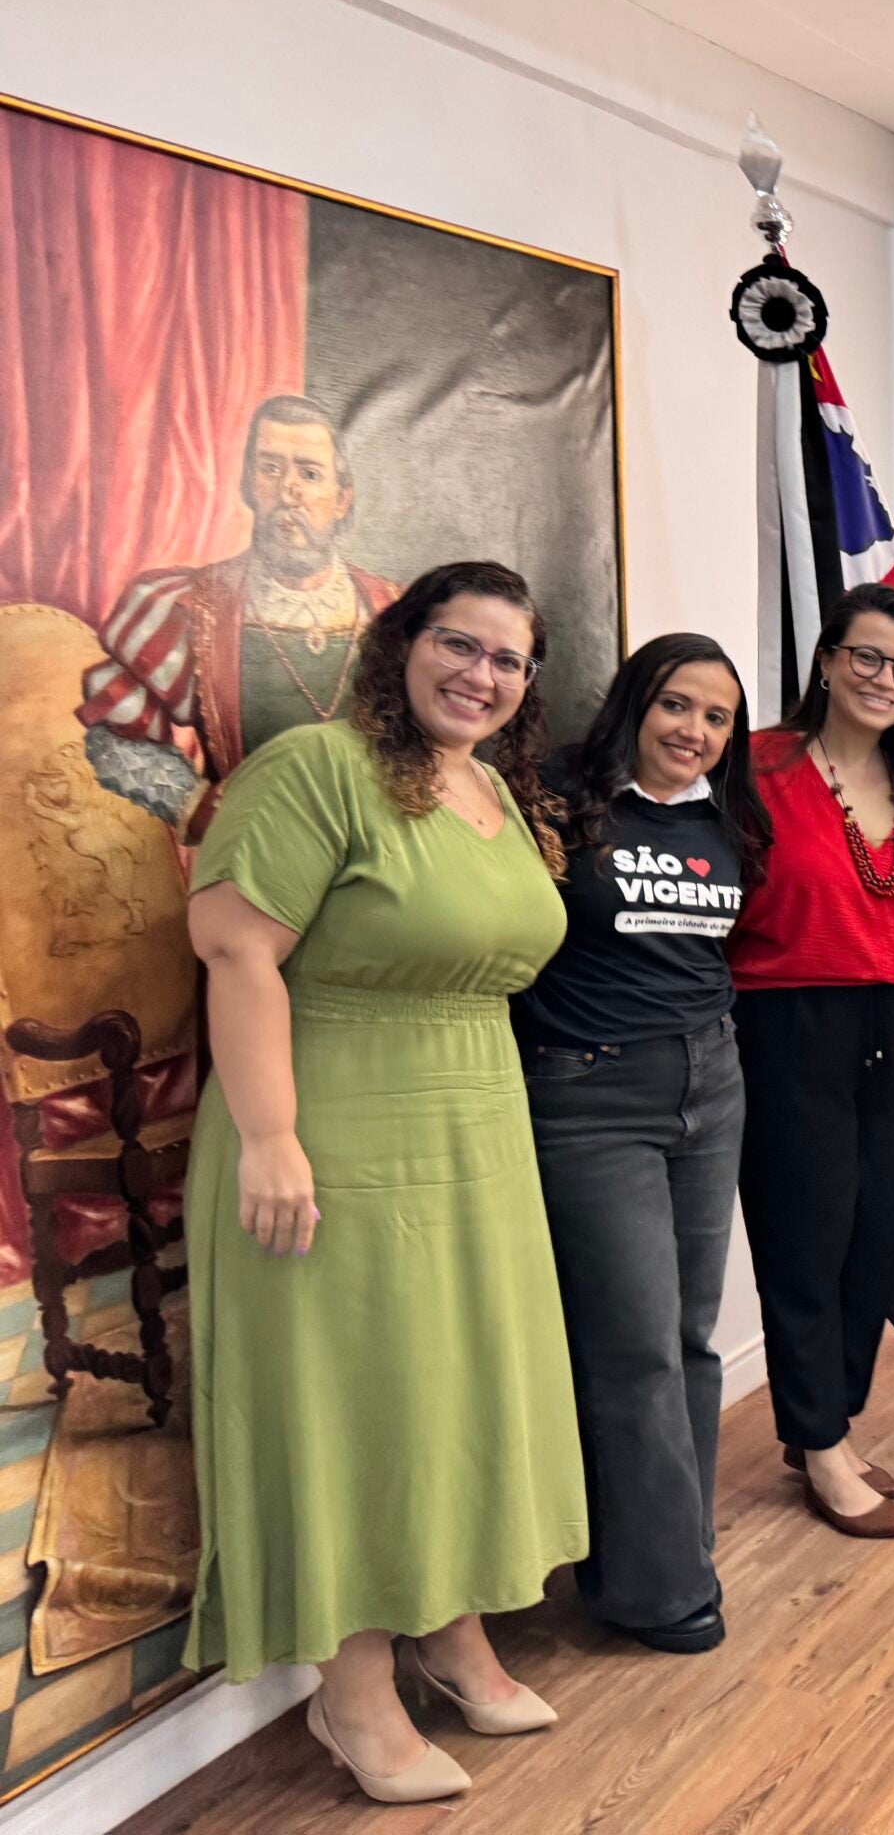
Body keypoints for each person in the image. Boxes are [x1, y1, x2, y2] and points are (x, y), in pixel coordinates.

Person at [184, 561, 580, 1805]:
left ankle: (452, 1639)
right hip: (336, 1123)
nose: (482, 676)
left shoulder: (488, 792)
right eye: (459, 646)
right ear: (398, 645)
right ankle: (350, 1696)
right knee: (357, 1401)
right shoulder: (316, 767)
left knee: (451, 1388)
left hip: (473, 1126)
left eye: (508, 661)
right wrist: (269, 1135)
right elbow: (237, 945)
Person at [515, 633, 769, 1650]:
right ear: (635, 702)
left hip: (712, 1082)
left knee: (689, 1340)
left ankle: (669, 1554)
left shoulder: (729, 823)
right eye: (676, 706)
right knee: (630, 1346)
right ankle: (657, 1591)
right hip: (589, 1092)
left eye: (715, 718)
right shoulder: (560, 805)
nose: (694, 732)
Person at [728, 583, 894, 1541]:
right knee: (805, 1237)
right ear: (826, 660)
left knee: (876, 1233)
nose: (883, 678)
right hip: (787, 1022)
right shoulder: (755, 767)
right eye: (865, 657)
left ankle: (822, 1422)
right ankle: (822, 1443)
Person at [79, 395, 400, 839]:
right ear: (248, 483)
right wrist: (192, 805)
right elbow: (114, 737)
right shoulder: (193, 608)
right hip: (252, 863)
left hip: (377, 862)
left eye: (309, 473)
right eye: (271, 468)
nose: (290, 490)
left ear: (342, 499)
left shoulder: (393, 610)